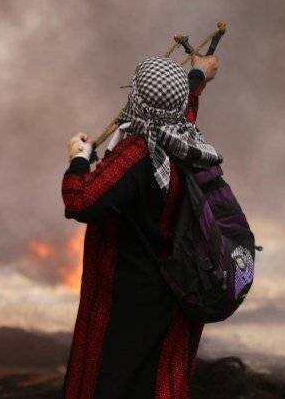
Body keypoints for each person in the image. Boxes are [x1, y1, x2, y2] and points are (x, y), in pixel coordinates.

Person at [61, 54, 222, 399]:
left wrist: (78, 157)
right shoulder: (185, 139)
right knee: (154, 382)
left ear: (136, 96)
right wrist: (197, 76)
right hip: (171, 294)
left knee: (112, 384)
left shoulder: (136, 153)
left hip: (127, 302)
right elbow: (180, 108)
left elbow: (80, 200)